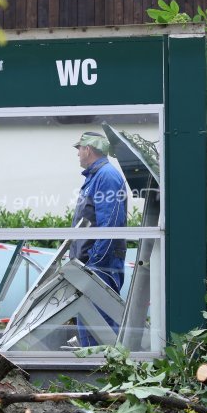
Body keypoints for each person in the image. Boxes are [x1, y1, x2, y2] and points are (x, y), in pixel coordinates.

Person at [70, 131, 128, 346]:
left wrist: (94, 264)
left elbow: (110, 226)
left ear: (88, 149)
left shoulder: (106, 176)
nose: (77, 154)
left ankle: (103, 377)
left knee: (100, 329)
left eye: (79, 149)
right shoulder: (98, 176)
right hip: (91, 266)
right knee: (90, 324)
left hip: (99, 268)